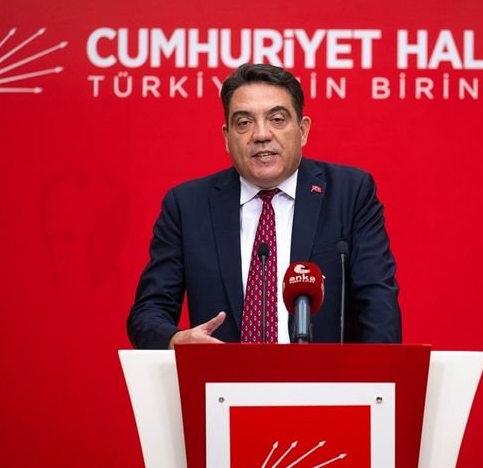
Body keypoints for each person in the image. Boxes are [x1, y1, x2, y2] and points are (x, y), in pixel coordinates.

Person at [127, 63, 401, 348]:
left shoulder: (349, 193)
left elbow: (378, 305)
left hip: (326, 376)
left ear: (303, 130)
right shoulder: (187, 206)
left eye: (277, 119)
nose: (261, 134)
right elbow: (148, 312)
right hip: (222, 375)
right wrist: (175, 339)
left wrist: (373, 373)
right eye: (244, 123)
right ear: (227, 137)